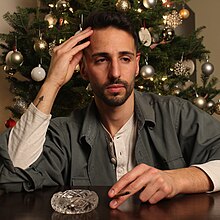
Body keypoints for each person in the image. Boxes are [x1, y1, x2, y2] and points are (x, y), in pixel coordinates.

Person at [0, 10, 220, 209]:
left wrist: (178, 179)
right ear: (84, 69)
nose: (115, 72)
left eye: (125, 58)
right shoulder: (63, 134)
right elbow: (13, 175)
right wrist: (52, 82)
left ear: (136, 65)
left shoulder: (176, 114)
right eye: (101, 59)